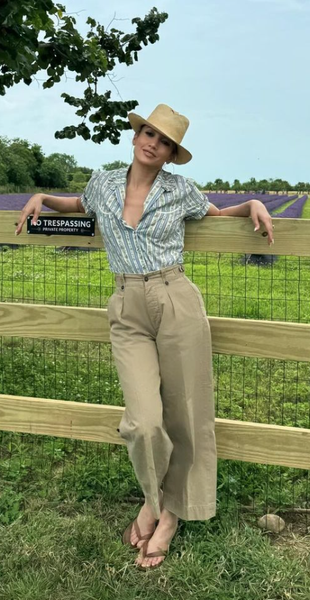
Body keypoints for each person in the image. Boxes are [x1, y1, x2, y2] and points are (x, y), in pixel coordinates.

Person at [16, 104, 274, 571]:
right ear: (136, 136)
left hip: (175, 298)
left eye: (165, 142)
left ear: (173, 154)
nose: (153, 143)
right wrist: (42, 197)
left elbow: (216, 211)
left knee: (188, 414)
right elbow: (79, 205)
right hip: (127, 304)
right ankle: (153, 498)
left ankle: (170, 513)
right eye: (149, 133)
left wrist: (253, 204)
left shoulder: (180, 190)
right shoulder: (104, 182)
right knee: (144, 421)